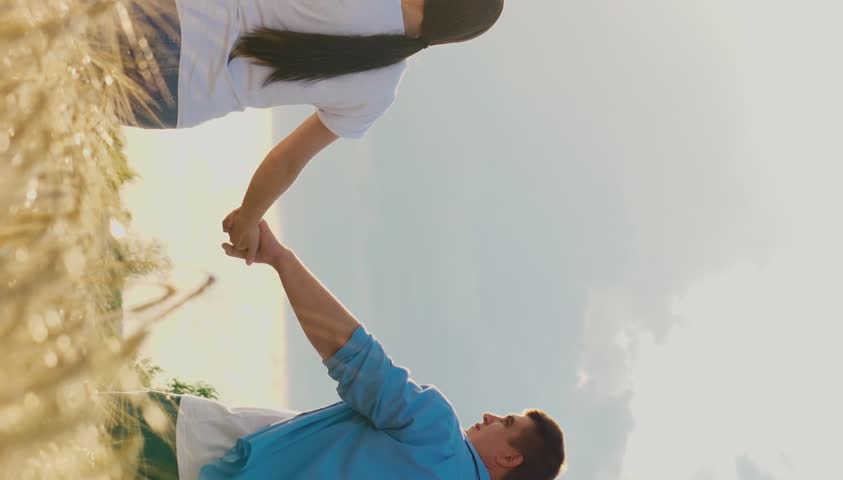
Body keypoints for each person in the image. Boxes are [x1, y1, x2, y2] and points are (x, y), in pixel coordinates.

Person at [111, 214, 566, 479]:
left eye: (506, 422)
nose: (489, 416)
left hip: (186, 450)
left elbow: (352, 354)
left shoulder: (437, 434)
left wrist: (280, 259)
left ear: (510, 457)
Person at [116, 0, 505, 265]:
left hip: (170, 16)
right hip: (177, 98)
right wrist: (248, 221)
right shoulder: (379, 91)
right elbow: (284, 160)